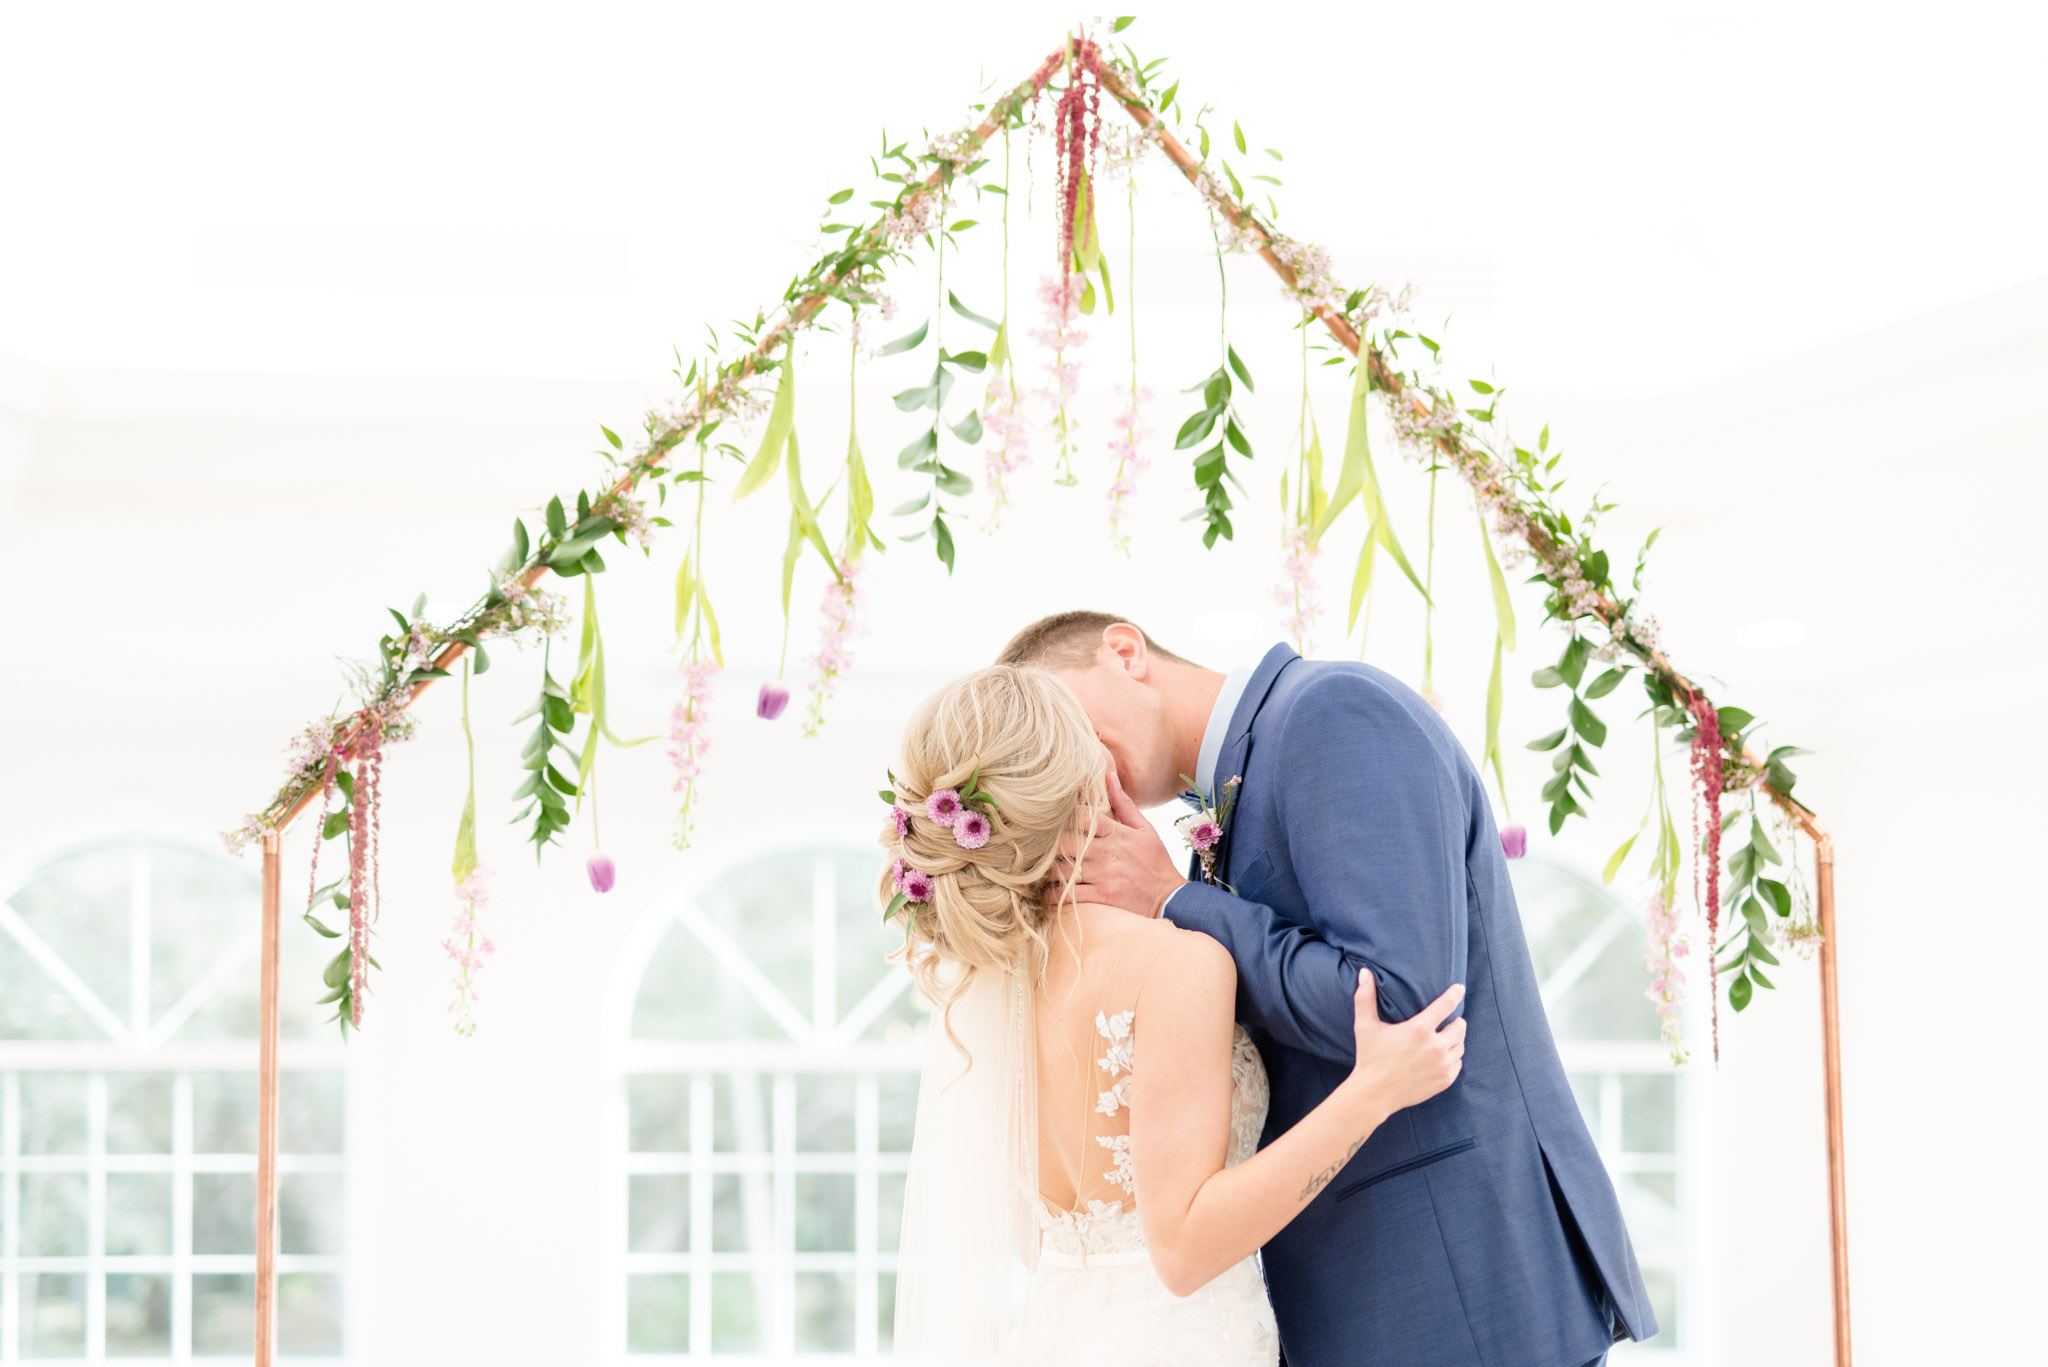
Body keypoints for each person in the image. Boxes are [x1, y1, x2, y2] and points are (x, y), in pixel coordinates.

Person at [996, 612, 1659, 1367]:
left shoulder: (1329, 710)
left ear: (1123, 650)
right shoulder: (1224, 805)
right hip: (1362, 1304)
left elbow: (1408, 1005)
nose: (1074, 759)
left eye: (1065, 719)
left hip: (1453, 1288)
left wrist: (1175, 901)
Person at [884, 665, 1467, 1366]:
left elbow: (1036, 1234)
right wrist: (1372, 1092)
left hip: (1051, 1335)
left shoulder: (991, 980)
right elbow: (1184, 1249)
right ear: (1091, 778)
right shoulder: (1176, 962)